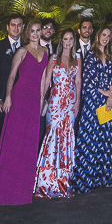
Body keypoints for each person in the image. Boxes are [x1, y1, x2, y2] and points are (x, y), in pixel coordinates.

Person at [0, 19, 51, 206]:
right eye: (33, 31)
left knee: (29, 144)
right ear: (27, 33)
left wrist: (41, 100)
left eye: (38, 31)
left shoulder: (46, 52)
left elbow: (43, 79)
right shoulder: (22, 51)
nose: (36, 34)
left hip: (33, 101)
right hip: (19, 97)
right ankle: (4, 190)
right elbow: (12, 75)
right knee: (14, 144)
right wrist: (8, 97)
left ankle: (22, 190)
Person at [35, 29, 81, 198]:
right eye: (65, 39)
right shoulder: (53, 58)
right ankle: (47, 182)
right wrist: (41, 101)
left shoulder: (77, 58)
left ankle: (63, 181)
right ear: (61, 41)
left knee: (67, 138)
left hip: (69, 104)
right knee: (53, 136)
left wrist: (77, 103)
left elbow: (78, 81)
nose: (68, 42)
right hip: (54, 103)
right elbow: (46, 81)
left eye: (70, 39)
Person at [72, 27, 112, 192]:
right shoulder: (91, 56)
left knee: (105, 142)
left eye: (108, 35)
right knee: (90, 142)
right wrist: (105, 93)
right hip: (93, 106)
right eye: (103, 34)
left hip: (108, 105)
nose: (106, 38)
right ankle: (86, 180)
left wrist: (111, 96)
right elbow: (88, 83)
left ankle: (102, 179)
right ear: (98, 36)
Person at [0, 15, 25, 173]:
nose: (16, 28)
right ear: (7, 27)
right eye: (13, 25)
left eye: (19, 25)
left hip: (19, 105)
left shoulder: (29, 48)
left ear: (23, 27)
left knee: (14, 147)